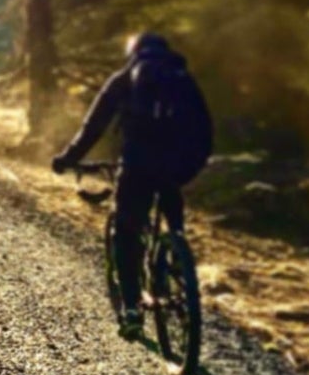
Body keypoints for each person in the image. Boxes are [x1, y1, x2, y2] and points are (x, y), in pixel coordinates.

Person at [52, 33, 213, 339]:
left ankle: (131, 309)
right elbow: (204, 127)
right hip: (177, 165)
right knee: (172, 223)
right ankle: (177, 265)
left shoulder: (124, 78)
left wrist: (67, 158)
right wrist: (191, 166)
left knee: (125, 231)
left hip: (138, 165)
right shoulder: (182, 78)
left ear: (133, 52)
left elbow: (93, 127)